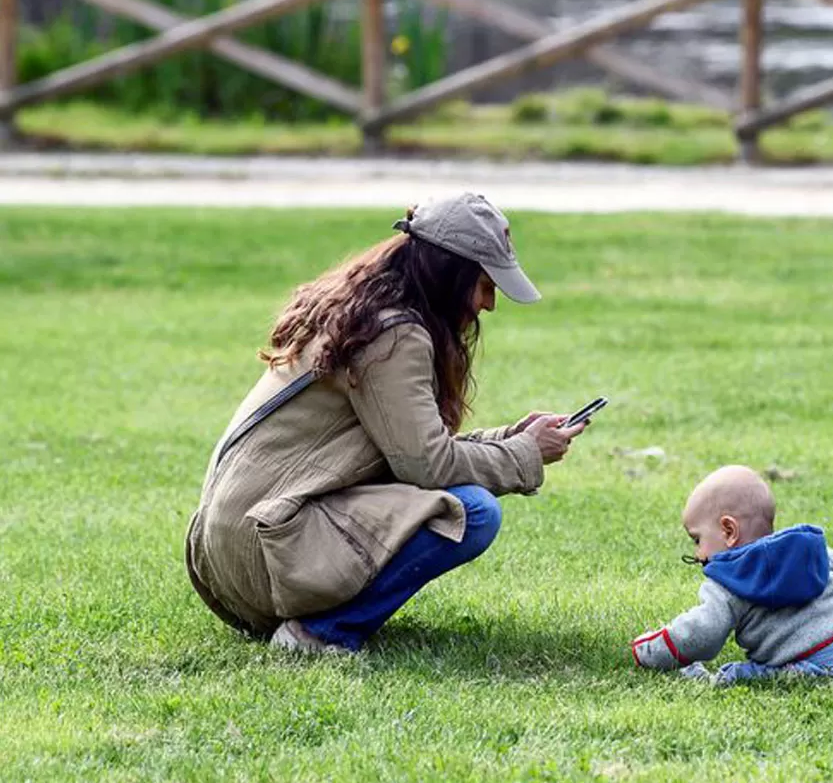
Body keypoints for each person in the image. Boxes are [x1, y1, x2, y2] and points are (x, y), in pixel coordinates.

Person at [186, 193, 585, 655]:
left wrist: (510, 440)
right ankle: (321, 633)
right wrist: (525, 455)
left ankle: (321, 619)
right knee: (472, 513)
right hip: (266, 553)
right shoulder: (394, 334)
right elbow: (427, 466)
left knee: (460, 500)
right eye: (485, 284)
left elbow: (410, 449)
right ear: (449, 276)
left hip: (232, 549)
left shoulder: (362, 310)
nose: (489, 304)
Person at [632, 466, 833, 686]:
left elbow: (700, 636)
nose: (698, 554)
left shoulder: (728, 584)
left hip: (819, 666)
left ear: (729, 530)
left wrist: (648, 649)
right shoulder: (806, 551)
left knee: (736, 676)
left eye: (697, 539)